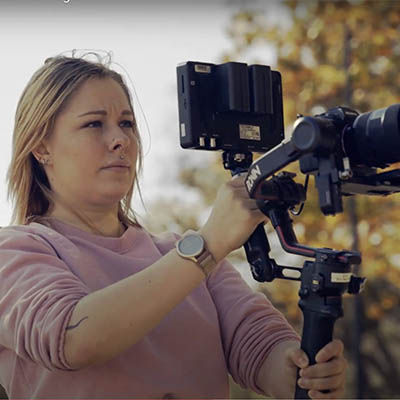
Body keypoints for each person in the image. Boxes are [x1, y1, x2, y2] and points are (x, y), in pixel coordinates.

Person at [0, 52, 347, 399]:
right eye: (94, 124)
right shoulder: (15, 252)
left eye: (127, 123)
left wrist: (302, 371)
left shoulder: (183, 254)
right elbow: (72, 338)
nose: (120, 139)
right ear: (41, 146)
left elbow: (258, 345)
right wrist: (208, 245)